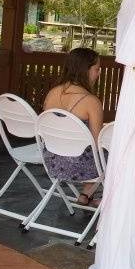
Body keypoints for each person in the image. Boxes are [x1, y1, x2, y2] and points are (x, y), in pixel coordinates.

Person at [41, 47, 104, 206]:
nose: (99, 73)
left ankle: (85, 195)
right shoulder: (91, 102)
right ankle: (112, 202)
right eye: (97, 69)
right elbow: (98, 143)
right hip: (81, 167)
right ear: (85, 70)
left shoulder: (52, 93)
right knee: (120, 154)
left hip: (53, 162)